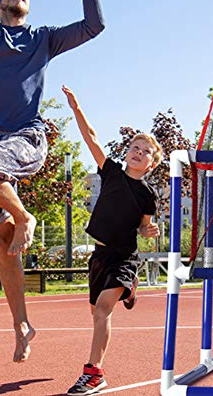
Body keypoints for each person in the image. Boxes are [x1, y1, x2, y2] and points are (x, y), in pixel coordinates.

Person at [0, 0, 105, 363]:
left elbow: (93, 25)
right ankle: (22, 324)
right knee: (4, 242)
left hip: (25, 138)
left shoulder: (42, 38)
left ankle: (25, 214)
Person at [61, 85, 162, 395]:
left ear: (152, 164)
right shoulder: (111, 172)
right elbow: (91, 138)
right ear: (127, 151)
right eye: (135, 146)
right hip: (99, 255)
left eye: (146, 151)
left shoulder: (148, 196)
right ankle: (128, 292)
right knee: (96, 313)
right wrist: (76, 108)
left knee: (103, 310)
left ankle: (93, 374)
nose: (138, 152)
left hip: (124, 257)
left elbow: (144, 228)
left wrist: (149, 231)